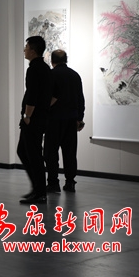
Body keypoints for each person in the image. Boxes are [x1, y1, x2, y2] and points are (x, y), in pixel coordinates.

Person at [44, 49, 85, 193]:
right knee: (70, 153)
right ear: (66, 60)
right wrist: (80, 118)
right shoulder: (75, 75)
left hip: (53, 119)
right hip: (71, 119)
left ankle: (53, 182)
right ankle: (70, 182)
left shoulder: (50, 75)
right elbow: (80, 99)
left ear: (52, 61)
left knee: (51, 152)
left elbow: (47, 98)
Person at [18, 36, 53, 204]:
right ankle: (37, 188)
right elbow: (52, 95)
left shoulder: (34, 69)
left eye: (26, 47)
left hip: (33, 119)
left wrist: (27, 116)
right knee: (24, 151)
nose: (24, 50)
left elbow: (32, 95)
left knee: (33, 154)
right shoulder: (45, 68)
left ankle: (40, 191)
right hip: (40, 117)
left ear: (33, 50)